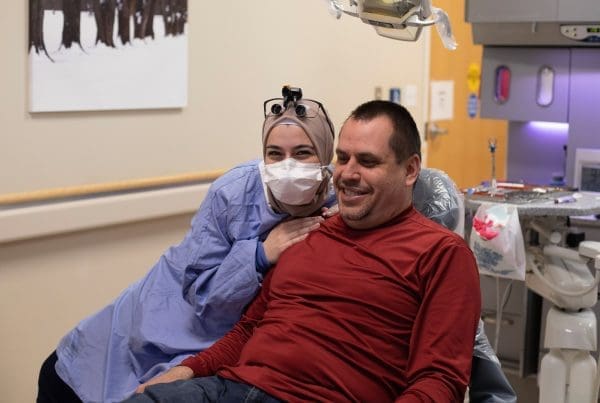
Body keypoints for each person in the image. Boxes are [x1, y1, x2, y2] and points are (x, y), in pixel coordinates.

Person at [125, 100, 482, 402]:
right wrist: (184, 372)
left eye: (368, 162)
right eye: (343, 158)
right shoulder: (308, 232)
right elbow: (248, 329)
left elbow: (439, 381)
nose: (348, 174)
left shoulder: (441, 254)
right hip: (228, 389)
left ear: (410, 170)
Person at [36, 86, 337, 403]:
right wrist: (260, 254)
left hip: (221, 349)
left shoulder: (340, 203)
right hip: (158, 314)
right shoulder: (234, 192)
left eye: (303, 153)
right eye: (274, 154)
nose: (287, 167)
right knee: (76, 375)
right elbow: (201, 292)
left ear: (326, 155)